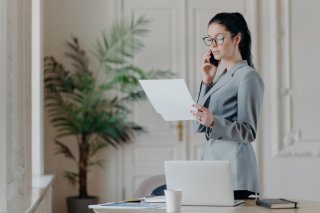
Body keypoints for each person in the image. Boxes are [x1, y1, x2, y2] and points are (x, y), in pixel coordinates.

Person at [191, 12, 264, 199]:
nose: (213, 45)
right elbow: (198, 125)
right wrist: (207, 80)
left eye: (219, 38)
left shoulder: (248, 76)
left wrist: (214, 121)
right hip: (213, 167)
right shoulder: (223, 76)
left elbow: (249, 132)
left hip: (235, 171)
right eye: (210, 40)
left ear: (237, 38)